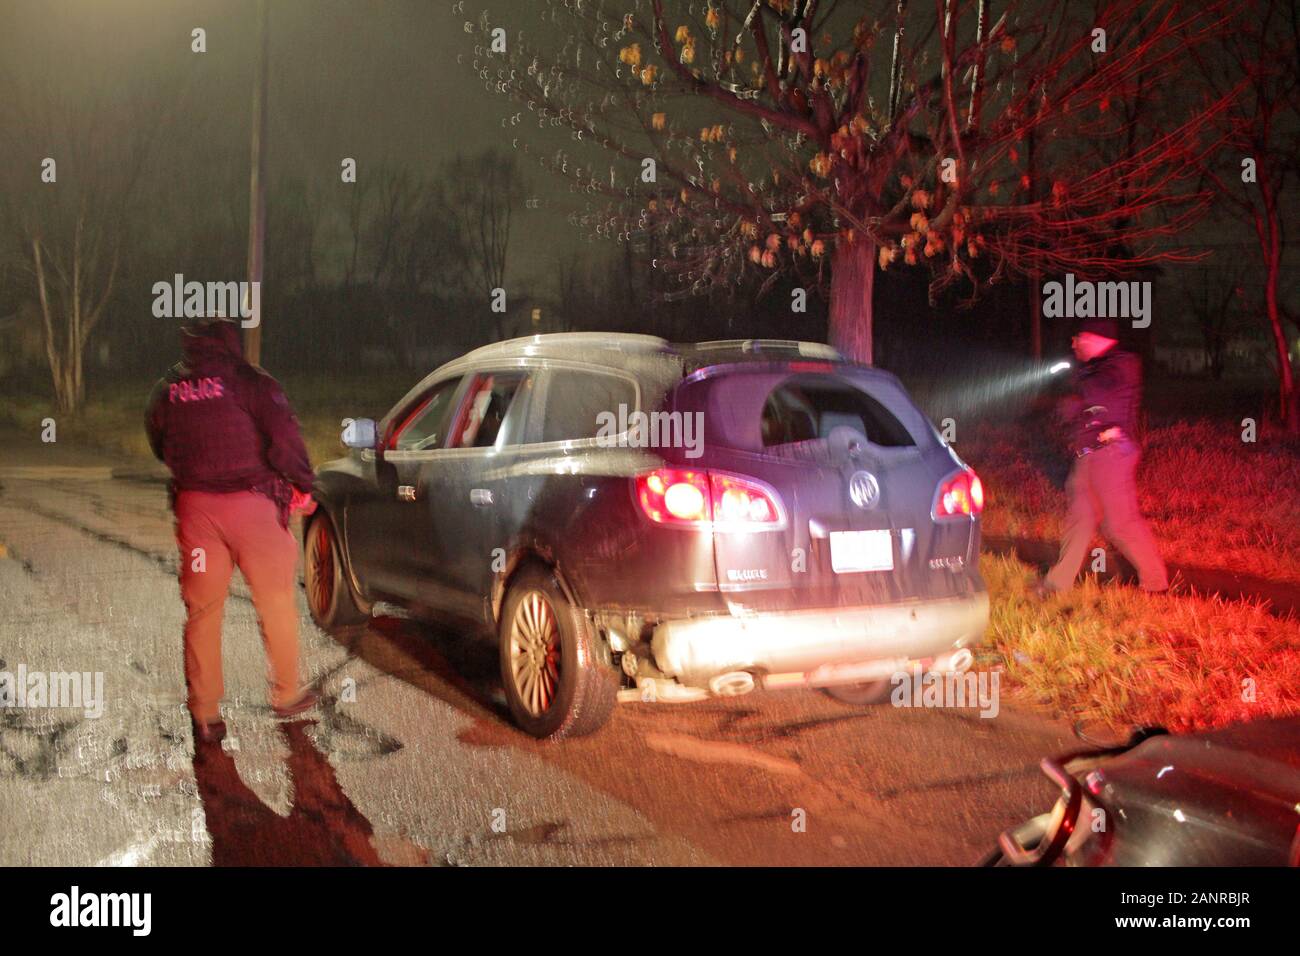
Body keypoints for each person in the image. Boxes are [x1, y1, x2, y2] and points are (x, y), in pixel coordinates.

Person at [146, 317, 319, 743]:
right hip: (254, 507)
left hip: (196, 511)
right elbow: (285, 438)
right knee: (275, 602)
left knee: (203, 613)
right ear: (230, 341)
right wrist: (303, 486)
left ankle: (205, 714)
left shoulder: (168, 388)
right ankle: (285, 694)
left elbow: (157, 438)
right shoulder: (251, 382)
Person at [1038, 318, 1169, 596]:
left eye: (1079, 338)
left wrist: (1077, 381)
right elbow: (1082, 408)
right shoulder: (1092, 370)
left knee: (1120, 523)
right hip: (1087, 457)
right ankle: (1057, 583)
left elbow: (1101, 394)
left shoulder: (1121, 364)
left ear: (1096, 338)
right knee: (1079, 520)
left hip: (1111, 455)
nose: (1074, 344)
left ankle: (1156, 584)